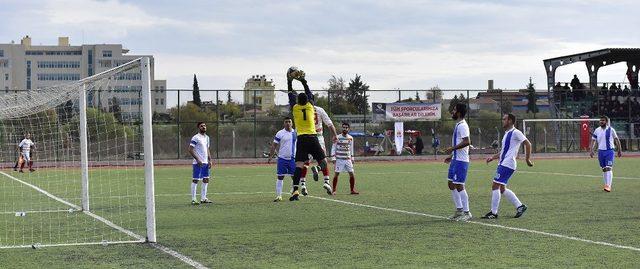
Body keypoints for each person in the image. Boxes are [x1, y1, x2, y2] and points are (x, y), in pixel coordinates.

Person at [287, 67, 333, 201]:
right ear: (308, 100)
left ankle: (295, 190)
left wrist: (289, 81)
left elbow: (290, 93)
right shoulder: (310, 106)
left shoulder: (294, 108)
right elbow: (309, 92)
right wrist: (303, 81)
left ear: (297, 101)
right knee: (324, 162)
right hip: (313, 138)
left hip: (301, 139)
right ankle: (318, 169)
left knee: (299, 165)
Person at [482, 114, 533, 219]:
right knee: (501, 188)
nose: (503, 121)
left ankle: (493, 212)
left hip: (508, 163)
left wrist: (527, 159)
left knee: (495, 185)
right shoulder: (507, 134)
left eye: (504, 119)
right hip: (503, 163)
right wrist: (493, 157)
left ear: (510, 121)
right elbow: (503, 151)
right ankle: (520, 206)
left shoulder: (516, 132)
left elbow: (528, 144)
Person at [444, 103, 472, 221]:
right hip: (456, 159)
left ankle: (467, 213)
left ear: (459, 113)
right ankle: (459, 210)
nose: (452, 112)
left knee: (459, 185)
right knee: (451, 184)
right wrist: (452, 155)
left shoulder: (462, 126)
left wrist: (452, 149)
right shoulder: (458, 125)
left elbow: (467, 141)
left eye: (454, 110)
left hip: (461, 161)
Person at [589, 116, 622, 192]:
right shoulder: (597, 130)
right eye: (600, 120)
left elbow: (616, 140)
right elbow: (594, 141)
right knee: (604, 169)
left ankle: (608, 186)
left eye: (603, 121)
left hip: (609, 151)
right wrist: (591, 150)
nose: (601, 122)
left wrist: (619, 150)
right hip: (600, 152)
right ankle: (606, 185)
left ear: (606, 122)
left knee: (608, 168)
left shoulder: (611, 130)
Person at [267, 118, 297, 202]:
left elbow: (299, 145)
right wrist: (271, 156)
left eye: (289, 122)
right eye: (286, 122)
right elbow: (274, 145)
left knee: (295, 177)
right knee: (280, 177)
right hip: (282, 159)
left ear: (292, 123)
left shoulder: (295, 133)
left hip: (293, 159)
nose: (288, 123)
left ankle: (294, 193)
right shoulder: (280, 133)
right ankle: (279, 196)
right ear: (284, 124)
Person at [188, 122, 213, 205]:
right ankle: (193, 199)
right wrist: (198, 159)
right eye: (201, 126)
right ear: (198, 128)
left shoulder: (207, 138)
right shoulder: (196, 137)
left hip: (205, 162)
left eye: (205, 125)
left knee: (206, 179)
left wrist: (210, 160)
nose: (204, 127)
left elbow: (207, 149)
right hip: (198, 163)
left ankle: (203, 198)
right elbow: (190, 149)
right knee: (196, 180)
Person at [330, 122, 358, 195]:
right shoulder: (337, 137)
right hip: (339, 159)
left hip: (348, 159)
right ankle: (334, 190)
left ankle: (352, 190)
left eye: (346, 127)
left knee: (352, 174)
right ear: (342, 128)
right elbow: (333, 147)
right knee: (336, 174)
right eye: (343, 127)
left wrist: (352, 158)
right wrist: (333, 157)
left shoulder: (351, 138)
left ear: (348, 129)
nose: (345, 129)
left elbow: (351, 148)